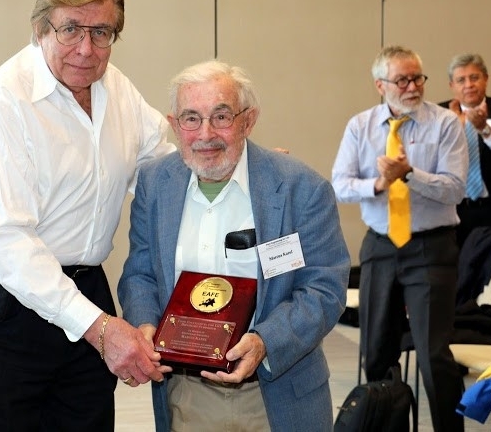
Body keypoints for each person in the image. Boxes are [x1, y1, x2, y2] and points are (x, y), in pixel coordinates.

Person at [0, 0, 175, 431]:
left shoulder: (118, 90)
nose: (86, 49)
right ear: (39, 28)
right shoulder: (1, 103)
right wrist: (102, 328)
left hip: (85, 286)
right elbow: (9, 240)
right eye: (70, 29)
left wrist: (233, 167)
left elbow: (163, 167)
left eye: (101, 32)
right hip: (1, 294)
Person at [117, 60, 350, 431]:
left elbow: (324, 289)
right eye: (191, 118)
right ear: (175, 125)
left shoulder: (300, 189)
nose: (205, 134)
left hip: (276, 392)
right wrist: (145, 325)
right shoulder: (155, 184)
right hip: (186, 397)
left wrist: (265, 342)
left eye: (221, 116)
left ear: (248, 120)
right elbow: (140, 272)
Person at [332, 45, 467, 432]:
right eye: (402, 80)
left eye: (418, 78)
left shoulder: (445, 124)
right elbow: (340, 185)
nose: (413, 87)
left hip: (431, 245)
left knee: (432, 355)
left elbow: (456, 189)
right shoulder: (360, 126)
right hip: (380, 245)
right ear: (380, 85)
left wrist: (409, 174)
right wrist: (378, 182)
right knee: (376, 351)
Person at [439, 53, 491, 247]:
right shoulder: (439, 116)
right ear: (452, 85)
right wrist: (450, 131)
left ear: (486, 79)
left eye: (474, 78)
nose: (468, 85)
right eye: (461, 80)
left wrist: (485, 130)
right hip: (453, 212)